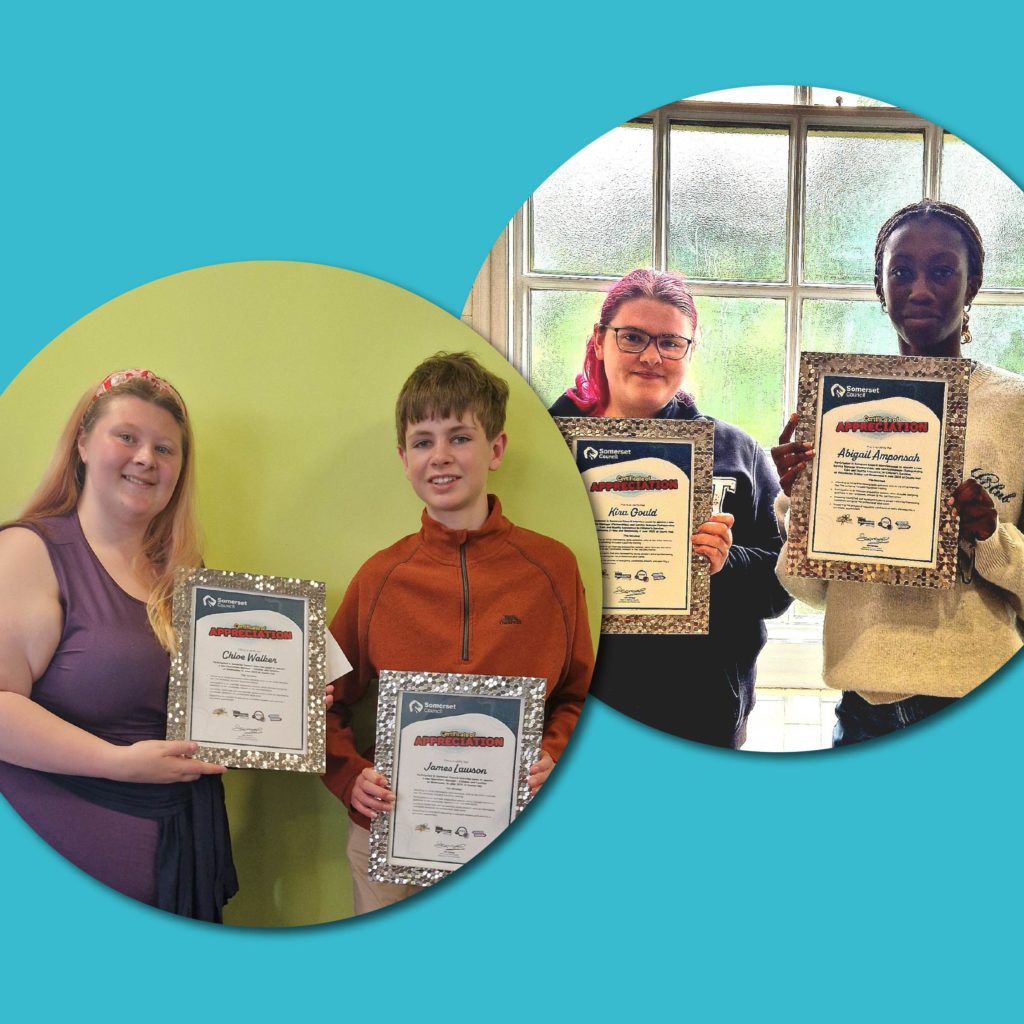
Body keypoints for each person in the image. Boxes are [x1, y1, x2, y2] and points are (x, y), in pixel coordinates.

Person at [322, 352, 594, 914]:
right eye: (422, 441)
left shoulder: (553, 568)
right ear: (403, 459)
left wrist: (554, 753)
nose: (440, 457)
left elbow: (579, 694)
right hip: (393, 837)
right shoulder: (379, 577)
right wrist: (349, 778)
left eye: (459, 437)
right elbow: (312, 701)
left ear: (495, 449)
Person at [772, 200, 1024, 745]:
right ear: (880, 285)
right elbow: (810, 591)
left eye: (941, 270)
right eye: (901, 271)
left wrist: (989, 535)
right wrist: (800, 504)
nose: (920, 289)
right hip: (866, 711)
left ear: (972, 281)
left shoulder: (1017, 407)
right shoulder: (839, 410)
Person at [0, 369, 238, 919]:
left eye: (165, 448)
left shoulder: (185, 578)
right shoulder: (29, 552)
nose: (146, 459)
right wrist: (117, 762)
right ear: (82, 443)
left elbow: (206, 710)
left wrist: (286, 714)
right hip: (64, 865)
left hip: (177, 858)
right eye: (126, 437)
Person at [549, 269, 792, 748]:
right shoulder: (549, 445)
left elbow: (780, 587)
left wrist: (726, 561)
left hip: (697, 713)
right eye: (633, 337)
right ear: (599, 342)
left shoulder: (735, 453)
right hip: (571, 715)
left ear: (688, 351)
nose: (651, 356)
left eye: (670, 342)